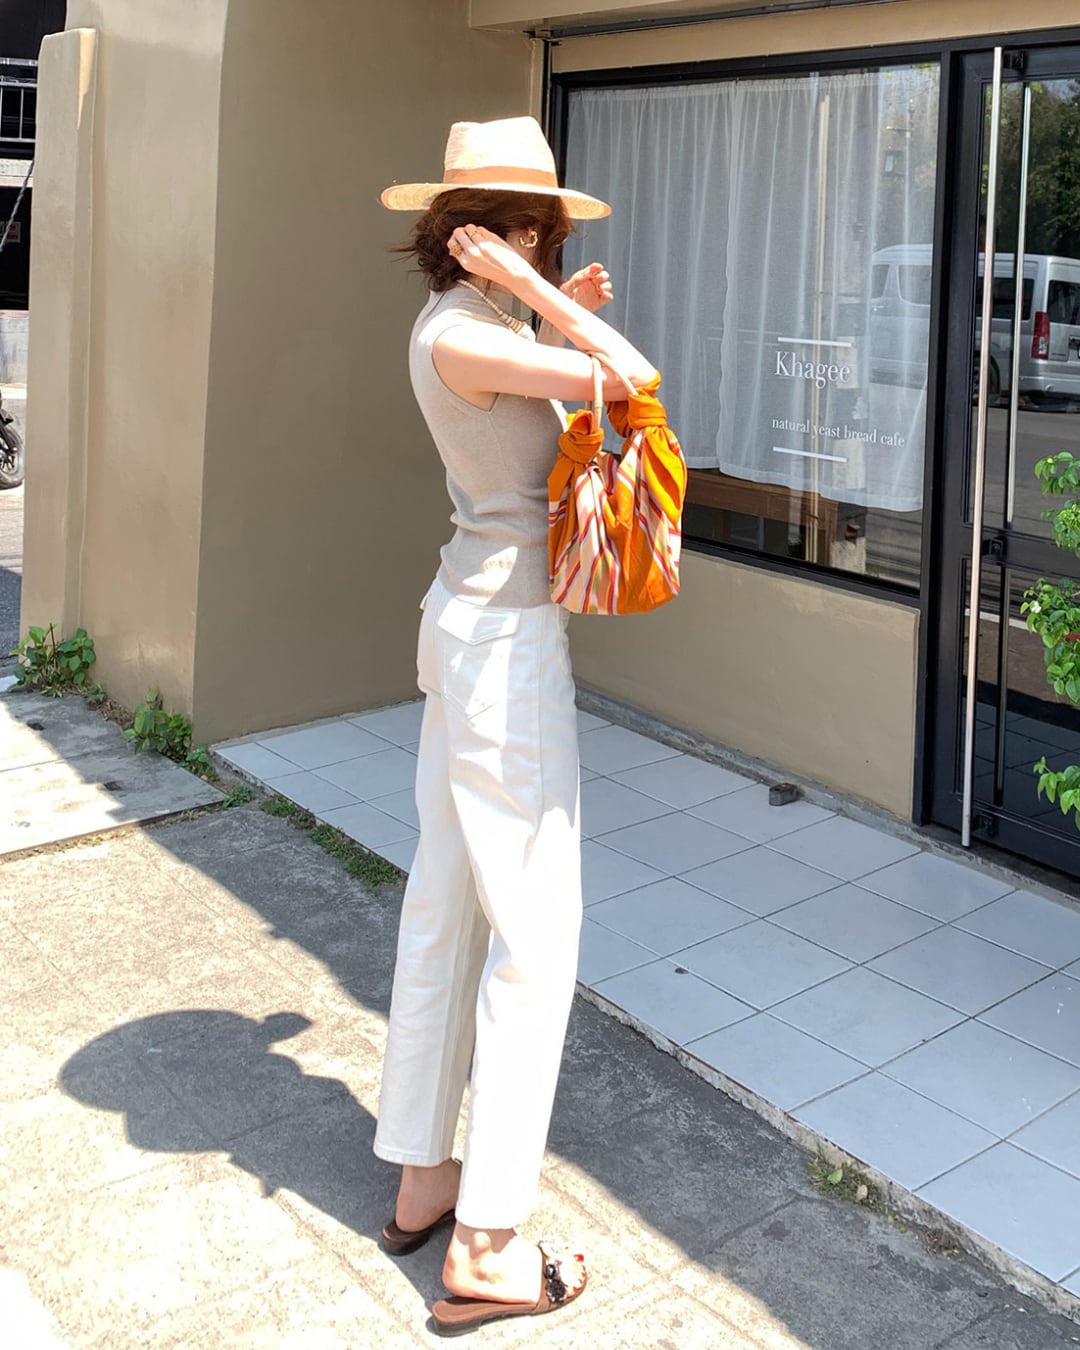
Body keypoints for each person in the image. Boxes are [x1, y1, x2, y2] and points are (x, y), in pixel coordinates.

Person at [375, 116, 657, 1336]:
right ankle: (489, 1243)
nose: (534, 242)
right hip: (503, 650)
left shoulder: (474, 331)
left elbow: (528, 403)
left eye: (540, 227)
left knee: (445, 905)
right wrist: (546, 301)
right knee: (536, 936)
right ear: (461, 236)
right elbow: (636, 377)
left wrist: (541, 310)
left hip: (465, 628)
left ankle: (424, 1178)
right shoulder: (468, 331)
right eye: (511, 227)